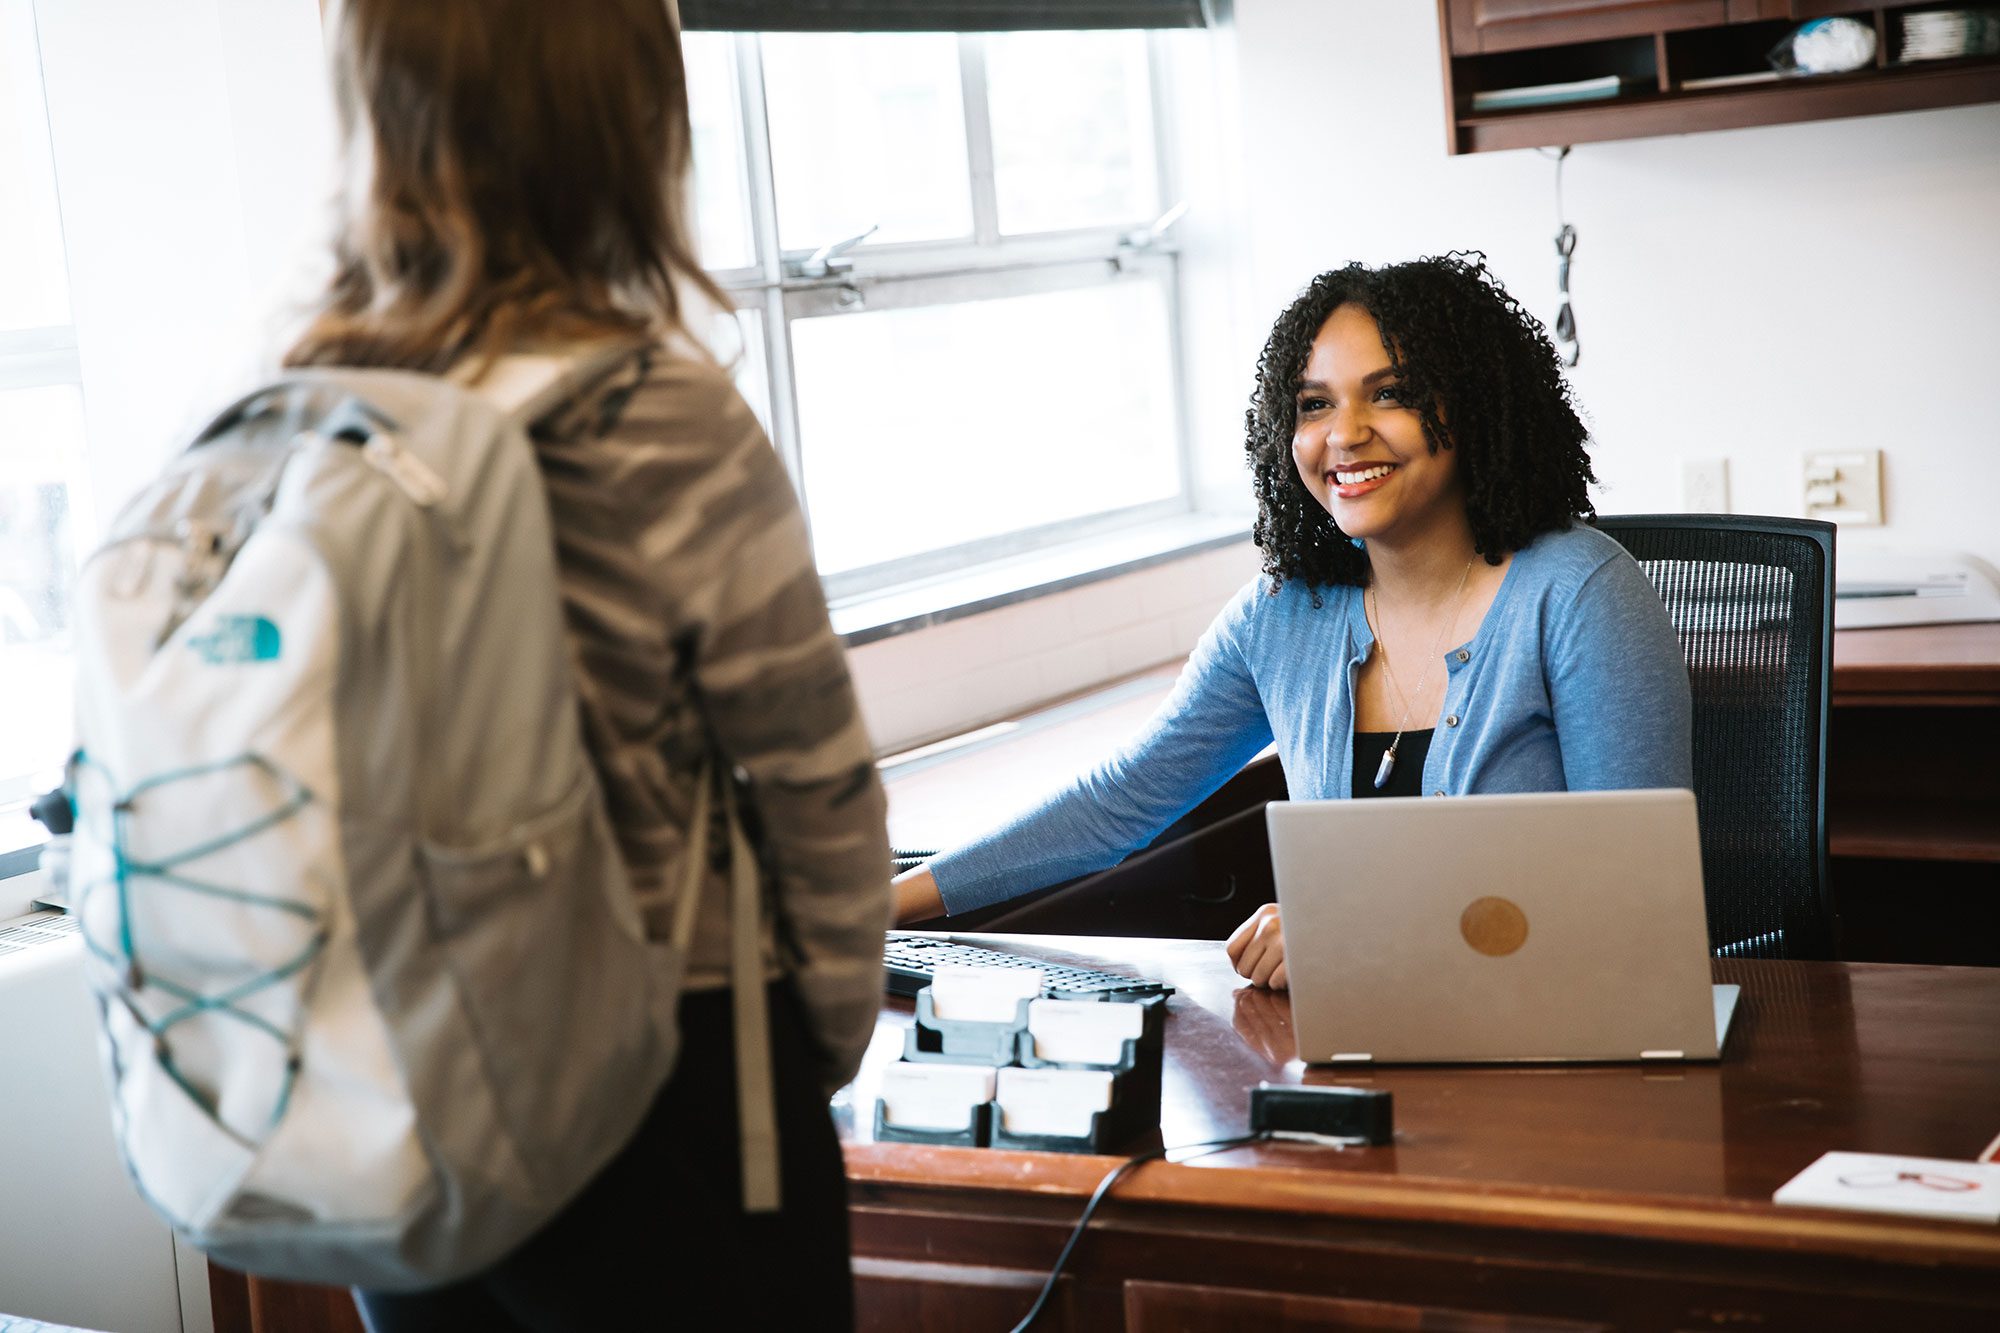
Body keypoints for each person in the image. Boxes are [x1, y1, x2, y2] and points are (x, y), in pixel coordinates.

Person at [287, 2, 891, 1329]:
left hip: (403, 1085)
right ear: (619, 119)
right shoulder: (649, 410)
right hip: (661, 1089)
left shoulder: (303, 401)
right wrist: (808, 1057)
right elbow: (815, 783)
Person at [893, 253, 1690, 990]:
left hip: (1563, 1042)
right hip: (1360, 1047)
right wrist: (876, 910)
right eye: (1315, 404)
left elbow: (1634, 890)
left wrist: (1359, 933)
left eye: (1391, 393)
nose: (1344, 434)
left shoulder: (1580, 593)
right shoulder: (1282, 616)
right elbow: (1119, 802)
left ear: (1473, 407)